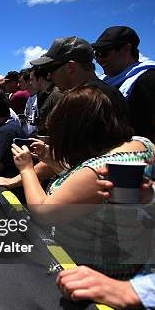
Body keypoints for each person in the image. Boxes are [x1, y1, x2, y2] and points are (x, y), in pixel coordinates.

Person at [11, 85, 154, 277]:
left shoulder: (98, 171)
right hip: (131, 262)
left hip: (93, 276)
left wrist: (27, 168)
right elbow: (99, 199)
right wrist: (51, 161)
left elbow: (44, 212)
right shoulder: (141, 146)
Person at [92, 26, 155, 140]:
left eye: (104, 52)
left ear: (126, 48)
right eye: (96, 54)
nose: (99, 59)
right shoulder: (105, 83)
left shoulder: (148, 80)